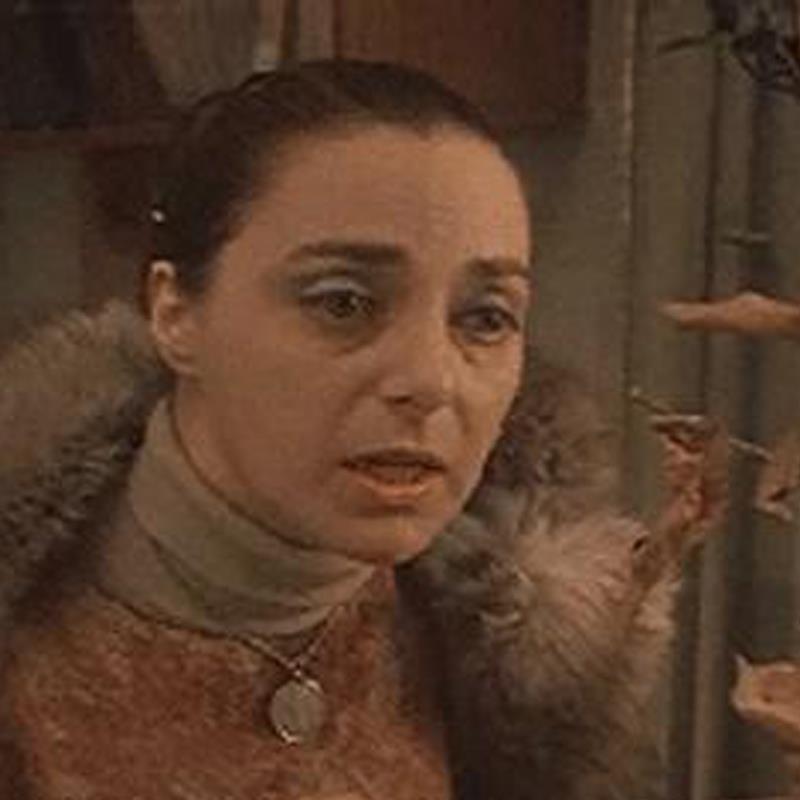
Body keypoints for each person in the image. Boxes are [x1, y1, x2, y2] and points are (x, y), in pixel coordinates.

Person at [0, 60, 676, 800]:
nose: (430, 381)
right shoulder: (30, 667)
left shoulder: (522, 668)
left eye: (485, 318)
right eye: (344, 303)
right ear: (176, 315)